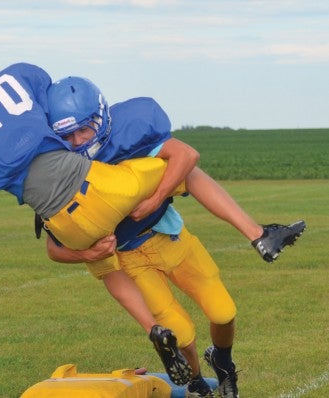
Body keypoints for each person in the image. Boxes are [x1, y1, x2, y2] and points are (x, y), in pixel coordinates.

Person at [0, 62, 201, 386]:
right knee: (179, 160)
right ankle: (251, 232)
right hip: (101, 185)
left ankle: (152, 328)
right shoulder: (19, 76)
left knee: (106, 268)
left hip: (63, 221)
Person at [43, 76, 306, 397]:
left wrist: (154, 199)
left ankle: (223, 359)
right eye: (67, 135)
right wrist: (87, 254)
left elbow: (186, 156)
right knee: (180, 336)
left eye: (84, 129)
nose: (78, 140)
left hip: (168, 235)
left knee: (224, 311)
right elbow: (53, 247)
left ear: (102, 116)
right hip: (128, 259)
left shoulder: (128, 132)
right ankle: (197, 383)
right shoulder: (56, 170)